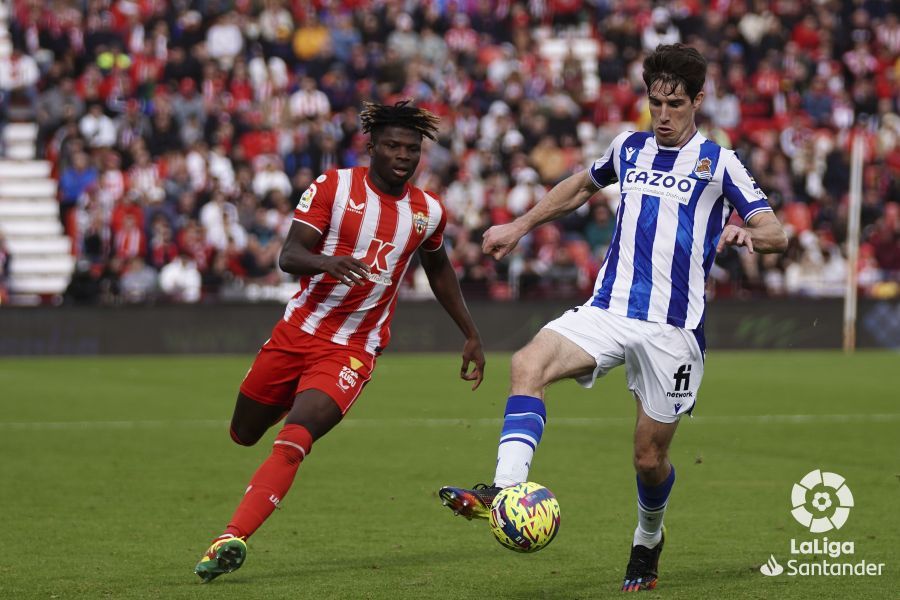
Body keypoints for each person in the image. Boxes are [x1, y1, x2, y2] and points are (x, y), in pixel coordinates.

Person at [439, 44, 787, 593]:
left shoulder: (719, 162)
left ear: (698, 101)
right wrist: (520, 226)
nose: (665, 115)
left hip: (673, 329)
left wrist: (749, 233)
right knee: (528, 363)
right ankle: (503, 491)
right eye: (656, 103)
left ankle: (648, 538)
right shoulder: (628, 148)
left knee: (649, 459)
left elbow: (777, 231)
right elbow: (581, 186)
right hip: (608, 309)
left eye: (676, 104)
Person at [194, 101, 485, 582]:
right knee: (243, 433)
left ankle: (231, 537)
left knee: (295, 440)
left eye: (412, 149)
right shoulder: (335, 187)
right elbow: (289, 254)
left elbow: (438, 267)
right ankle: (297, 394)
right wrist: (327, 263)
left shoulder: (428, 212)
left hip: (353, 348)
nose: (403, 156)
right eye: (393, 145)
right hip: (296, 333)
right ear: (371, 146)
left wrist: (471, 332)